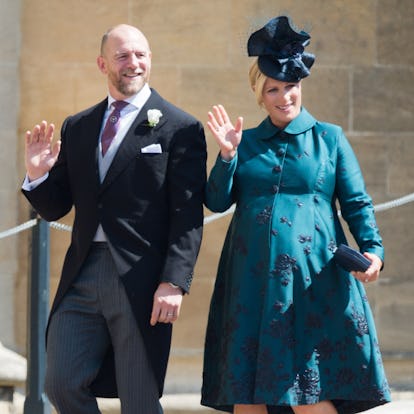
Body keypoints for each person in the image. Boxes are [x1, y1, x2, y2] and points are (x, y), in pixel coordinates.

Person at [201, 15, 390, 414]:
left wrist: (373, 250)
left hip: (314, 285)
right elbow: (215, 202)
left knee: (310, 395)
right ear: (259, 93)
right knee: (248, 398)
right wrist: (227, 156)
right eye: (273, 89)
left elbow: (357, 204)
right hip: (250, 287)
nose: (284, 96)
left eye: (291, 86)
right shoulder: (245, 142)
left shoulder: (330, 138)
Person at [22, 24, 206, 414]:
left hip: (142, 278)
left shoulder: (181, 128)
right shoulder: (79, 126)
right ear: (103, 63)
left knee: (139, 399)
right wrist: (37, 176)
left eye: (141, 54)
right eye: (123, 55)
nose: (133, 63)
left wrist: (174, 281)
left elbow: (187, 213)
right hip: (82, 272)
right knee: (61, 382)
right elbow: (56, 207)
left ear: (150, 59)